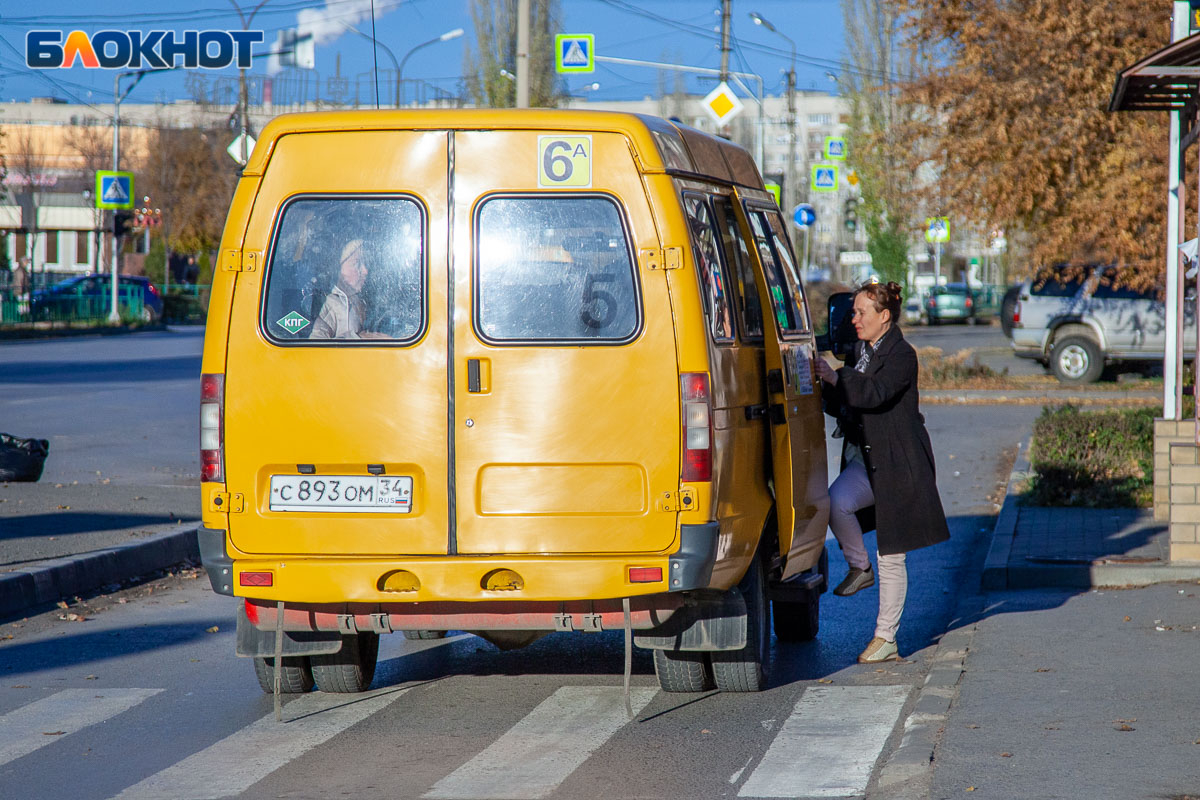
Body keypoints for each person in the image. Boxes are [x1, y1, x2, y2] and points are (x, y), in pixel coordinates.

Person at [814, 281, 949, 664]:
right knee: (835, 501)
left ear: (884, 316)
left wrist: (838, 378)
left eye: (860, 313)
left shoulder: (902, 355)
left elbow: (873, 394)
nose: (853, 319)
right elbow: (848, 399)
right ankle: (859, 567)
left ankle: (886, 637)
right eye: (853, 312)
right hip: (870, 460)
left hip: (898, 462)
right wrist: (823, 388)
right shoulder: (861, 350)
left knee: (892, 554)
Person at [311, 239, 388, 340]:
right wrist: (359, 337)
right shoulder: (329, 304)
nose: (365, 271)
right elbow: (314, 348)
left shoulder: (363, 301)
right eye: (356, 264)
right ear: (338, 268)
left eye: (366, 264)